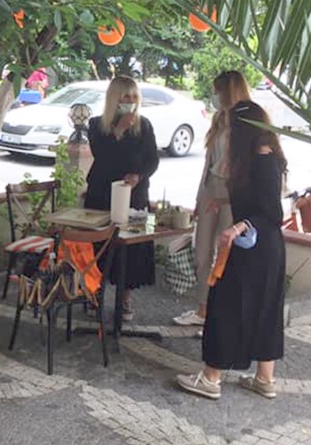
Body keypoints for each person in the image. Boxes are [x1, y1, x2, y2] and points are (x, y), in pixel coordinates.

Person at [177, 101, 287, 400]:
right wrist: (224, 202)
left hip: (254, 248)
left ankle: (211, 378)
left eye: (229, 127)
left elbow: (272, 214)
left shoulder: (263, 159)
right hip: (264, 250)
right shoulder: (256, 157)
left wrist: (238, 226)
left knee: (225, 306)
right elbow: (256, 198)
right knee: (265, 308)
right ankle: (264, 379)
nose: (226, 133)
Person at [173, 71, 251, 332]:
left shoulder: (246, 121)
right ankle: (202, 308)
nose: (215, 96)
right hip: (210, 187)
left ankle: (219, 312)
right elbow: (208, 162)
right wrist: (199, 198)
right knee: (202, 250)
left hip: (231, 192)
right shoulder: (219, 119)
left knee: (224, 251)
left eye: (219, 91)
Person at [84, 76, 159, 321]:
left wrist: (139, 175)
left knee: (131, 248)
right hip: (102, 193)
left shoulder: (144, 125)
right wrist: (118, 131)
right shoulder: (97, 125)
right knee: (100, 245)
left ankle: (125, 299)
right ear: (114, 98)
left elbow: (152, 159)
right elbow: (102, 155)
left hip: (134, 195)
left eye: (134, 96)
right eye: (125, 96)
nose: (130, 101)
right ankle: (95, 293)